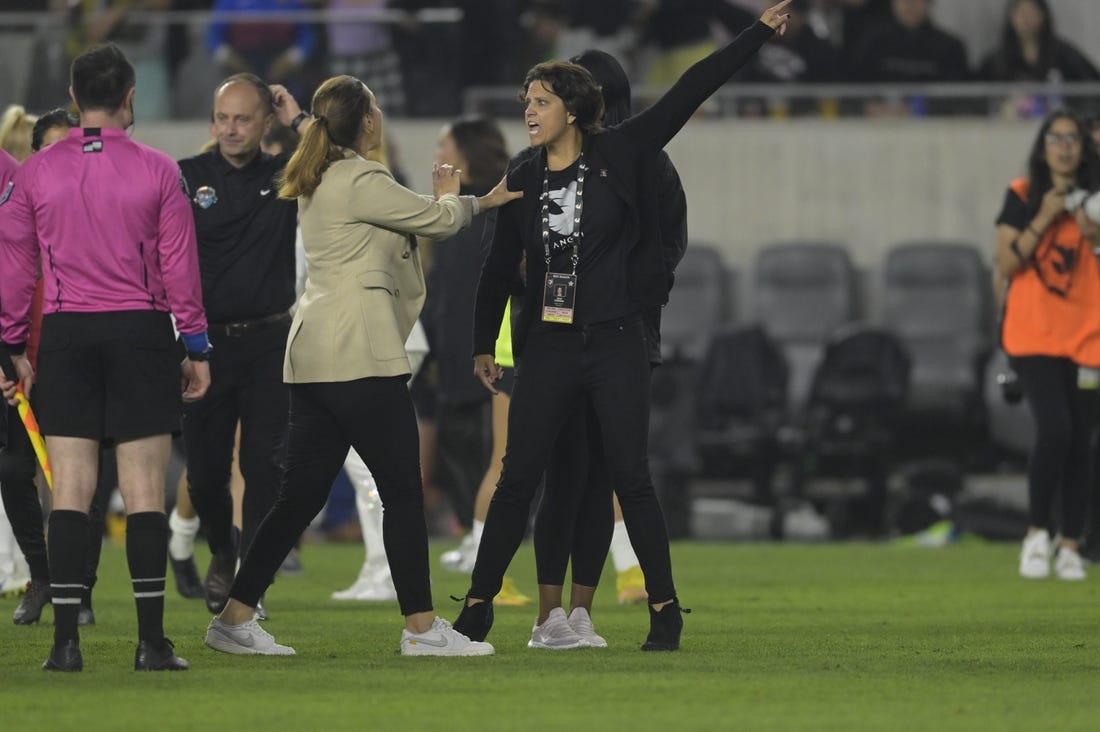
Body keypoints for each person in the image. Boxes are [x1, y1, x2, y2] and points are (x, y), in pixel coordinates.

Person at [452, 1, 793, 653]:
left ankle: (664, 612)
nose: (528, 110)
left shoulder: (627, 150)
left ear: (573, 111)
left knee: (630, 478)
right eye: (526, 99)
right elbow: (498, 268)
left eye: (542, 100)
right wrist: (479, 343)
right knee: (519, 475)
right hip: (547, 345)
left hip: (615, 344)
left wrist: (755, 33)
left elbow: (692, 87)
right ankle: (475, 611)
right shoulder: (522, 174)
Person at [203, 74, 520, 657]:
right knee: (402, 490)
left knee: (298, 497)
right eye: (374, 110)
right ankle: (422, 630)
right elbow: (438, 220)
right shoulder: (361, 176)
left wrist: (301, 116)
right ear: (369, 123)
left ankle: (235, 617)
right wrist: (470, 197)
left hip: (314, 354)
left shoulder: (316, 172)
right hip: (360, 354)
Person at [0, 43, 211, 672]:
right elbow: (180, 266)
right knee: (145, 488)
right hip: (140, 332)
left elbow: (15, 267)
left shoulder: (34, 172)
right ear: (130, 97)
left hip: (65, 334)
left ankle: (66, 645)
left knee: (70, 489)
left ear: (72, 98)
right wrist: (194, 344)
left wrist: (12, 345)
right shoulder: (157, 168)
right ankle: (151, 644)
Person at [526, 47, 690, 649]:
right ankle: (551, 615)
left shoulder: (646, 161)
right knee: (565, 475)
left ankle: (582, 611)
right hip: (560, 337)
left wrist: (630, 294)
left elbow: (670, 243)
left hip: (622, 337)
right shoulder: (546, 163)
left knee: (602, 478)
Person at [177, 73, 306, 615]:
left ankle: (248, 586)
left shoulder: (286, 175)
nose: (230, 129)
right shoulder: (184, 176)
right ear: (212, 120)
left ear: (266, 120)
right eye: (223, 117)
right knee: (205, 472)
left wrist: (299, 118)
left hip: (269, 342)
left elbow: (349, 157)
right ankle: (223, 549)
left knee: (264, 467)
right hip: (204, 347)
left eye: (244, 117)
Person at [1, 107, 110, 627]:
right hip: (24, 365)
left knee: (84, 482)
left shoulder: (110, 212)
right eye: (50, 149)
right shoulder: (17, 216)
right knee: (12, 471)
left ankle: (79, 589)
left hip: (83, 363)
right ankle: (43, 576)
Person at [993, 110, 1100, 581]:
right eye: (1055, 138)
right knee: (1054, 430)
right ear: (1043, 147)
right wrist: (1045, 216)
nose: (1064, 146)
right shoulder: (1021, 195)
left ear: (1083, 147)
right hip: (1034, 333)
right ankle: (1037, 533)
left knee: (1081, 440)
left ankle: (1071, 544)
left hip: (1088, 335)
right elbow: (1006, 263)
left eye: (1072, 138)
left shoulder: (1094, 204)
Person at [980, 0, 1100, 83]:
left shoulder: (1064, 54)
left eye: (1031, 13)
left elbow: (1090, 86)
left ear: (1043, 16)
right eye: (1020, 13)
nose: (1026, 20)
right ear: (1011, 17)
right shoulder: (997, 60)